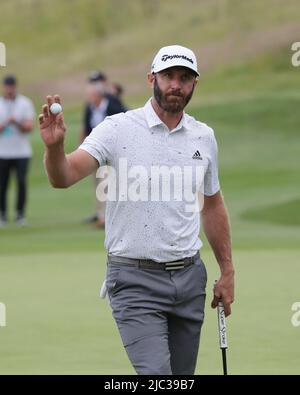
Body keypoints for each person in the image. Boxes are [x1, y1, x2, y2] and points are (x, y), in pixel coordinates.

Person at [39, 45, 235, 375]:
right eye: (168, 76)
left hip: (189, 280)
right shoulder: (117, 129)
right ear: (151, 79)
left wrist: (227, 271)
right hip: (134, 280)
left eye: (185, 78)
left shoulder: (204, 136)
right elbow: (65, 176)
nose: (176, 84)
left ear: (194, 85)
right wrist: (55, 148)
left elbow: (212, 205)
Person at [80, 71, 127, 228]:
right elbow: (86, 128)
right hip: (95, 150)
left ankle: (107, 217)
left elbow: (125, 122)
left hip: (114, 149)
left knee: (110, 182)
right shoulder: (89, 108)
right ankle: (102, 215)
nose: (91, 97)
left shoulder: (113, 103)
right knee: (100, 183)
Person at [0, 75, 35, 227]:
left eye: (12, 86)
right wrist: (5, 123)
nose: (9, 89)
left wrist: (17, 123)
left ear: (15, 87)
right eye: (7, 86)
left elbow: (29, 127)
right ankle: (2, 214)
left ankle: (20, 214)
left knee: (21, 182)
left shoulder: (25, 103)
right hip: (3, 152)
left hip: (22, 152)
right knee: (2, 184)